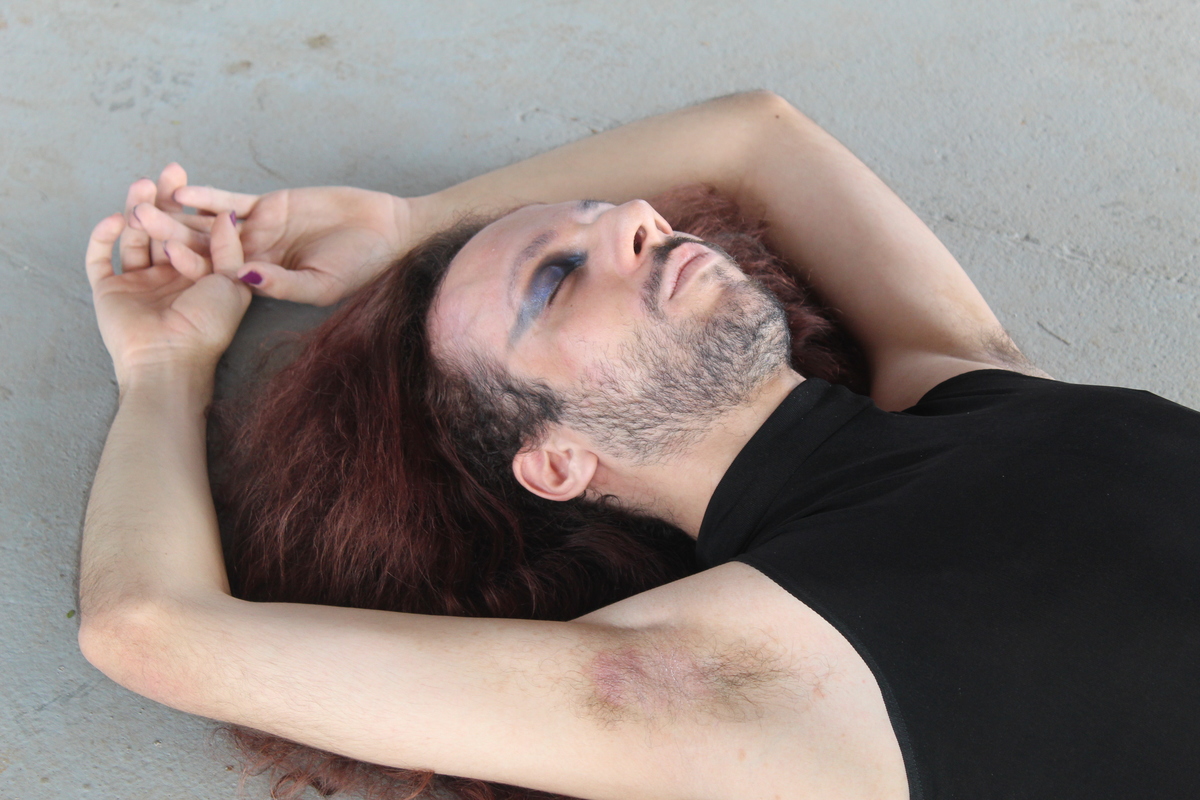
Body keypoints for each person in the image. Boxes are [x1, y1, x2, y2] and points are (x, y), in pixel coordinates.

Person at [78, 92, 1200, 800]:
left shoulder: (968, 387)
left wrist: (411, 225)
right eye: (556, 281)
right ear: (557, 461)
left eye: (624, 218)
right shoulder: (716, 675)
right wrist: (165, 369)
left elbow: (757, 134)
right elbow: (148, 627)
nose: (635, 220)